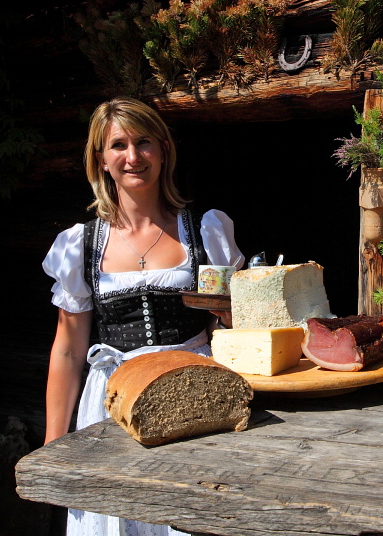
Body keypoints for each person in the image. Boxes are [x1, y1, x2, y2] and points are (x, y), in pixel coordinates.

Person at [42, 96, 244, 536]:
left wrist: (232, 312)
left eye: (144, 142)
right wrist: (54, 446)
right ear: (101, 159)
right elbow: (69, 349)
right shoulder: (81, 244)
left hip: (193, 395)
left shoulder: (205, 231)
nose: (132, 157)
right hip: (110, 400)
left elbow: (230, 329)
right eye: (119, 145)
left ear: (164, 150)